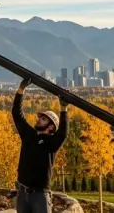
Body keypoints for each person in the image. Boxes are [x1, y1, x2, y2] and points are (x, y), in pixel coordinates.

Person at [12, 77, 69, 213]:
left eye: (43, 119)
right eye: (39, 117)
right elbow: (17, 115)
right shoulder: (29, 135)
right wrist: (21, 90)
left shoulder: (51, 143)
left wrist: (64, 109)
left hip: (40, 196)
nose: (38, 120)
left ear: (50, 127)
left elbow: (63, 134)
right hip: (22, 193)